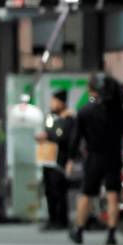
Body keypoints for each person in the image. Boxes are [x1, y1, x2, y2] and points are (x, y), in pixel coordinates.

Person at [68, 73, 123, 245]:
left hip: (94, 156)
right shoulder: (118, 109)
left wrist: (71, 158)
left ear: (91, 89)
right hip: (114, 155)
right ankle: (112, 234)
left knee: (86, 193)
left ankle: (79, 229)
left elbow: (76, 138)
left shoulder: (85, 111)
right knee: (113, 193)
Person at [37, 90, 74, 231]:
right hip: (48, 159)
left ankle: (61, 220)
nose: (52, 104)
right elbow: (48, 130)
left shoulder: (68, 119)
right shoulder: (51, 117)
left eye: (54, 101)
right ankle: (52, 219)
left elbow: (63, 137)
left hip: (60, 160)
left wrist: (48, 136)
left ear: (62, 103)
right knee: (49, 190)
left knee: (59, 190)